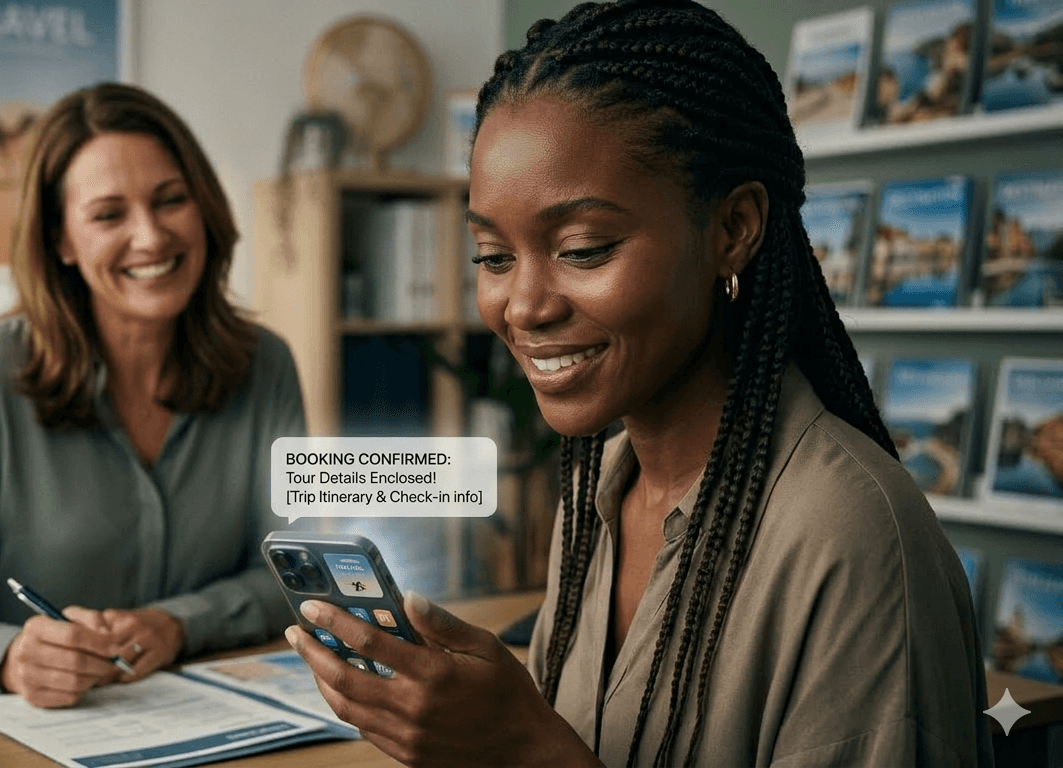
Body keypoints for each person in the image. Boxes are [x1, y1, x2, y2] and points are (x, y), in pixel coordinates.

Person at [285, 1, 992, 765]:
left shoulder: (853, 542)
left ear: (732, 230)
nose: (523, 306)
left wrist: (524, 751)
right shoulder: (601, 496)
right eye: (493, 256)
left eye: (584, 248)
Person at [0, 83, 304, 708]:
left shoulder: (267, 365)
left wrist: (178, 622)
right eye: (108, 215)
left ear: (204, 208)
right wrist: (11, 657)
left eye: (171, 200)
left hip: (220, 718)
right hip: (47, 732)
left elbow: (295, 575)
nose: (151, 237)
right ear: (62, 242)